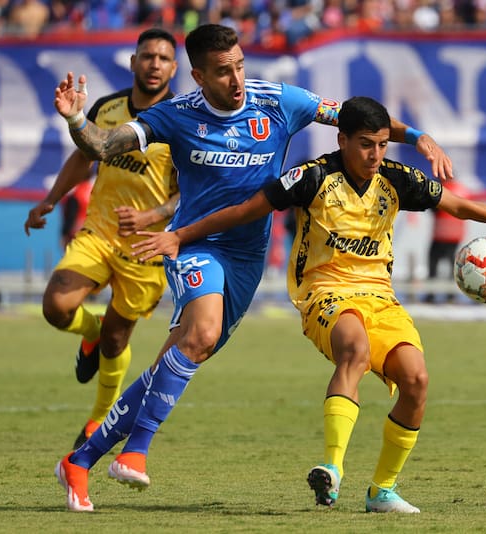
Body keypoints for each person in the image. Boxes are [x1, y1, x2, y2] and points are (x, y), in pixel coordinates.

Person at [50, 24, 453, 513]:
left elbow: (358, 119)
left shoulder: (279, 101)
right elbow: (101, 145)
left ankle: (80, 461)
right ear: (199, 76)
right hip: (195, 244)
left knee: (176, 360)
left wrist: (420, 137)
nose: (237, 79)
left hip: (247, 259)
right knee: (200, 334)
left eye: (240, 65)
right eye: (223, 71)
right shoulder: (175, 114)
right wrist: (76, 120)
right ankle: (135, 453)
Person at [131, 96, 486, 513]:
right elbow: (246, 210)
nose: (375, 155)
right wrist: (180, 235)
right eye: (365, 144)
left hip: (380, 297)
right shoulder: (311, 177)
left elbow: (459, 206)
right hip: (325, 292)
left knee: (416, 380)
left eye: (382, 144)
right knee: (355, 350)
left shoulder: (397, 178)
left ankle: (382, 491)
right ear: (342, 139)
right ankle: (332, 468)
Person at [24, 27, 180, 451]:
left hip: (146, 247)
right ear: (133, 62)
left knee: (116, 339)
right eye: (147, 56)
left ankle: (100, 417)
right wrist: (51, 199)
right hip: (99, 231)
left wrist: (151, 216)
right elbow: (84, 156)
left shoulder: (182, 119)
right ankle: (89, 330)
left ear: (174, 68)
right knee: (56, 306)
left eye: (163, 58)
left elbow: (190, 192)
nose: (154, 64)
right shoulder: (108, 108)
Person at [424, 178, 472, 303]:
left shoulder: (440, 188)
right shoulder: (462, 189)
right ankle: (451, 295)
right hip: (456, 232)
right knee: (452, 263)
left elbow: (433, 206)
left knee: (433, 261)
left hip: (442, 231)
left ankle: (431, 294)